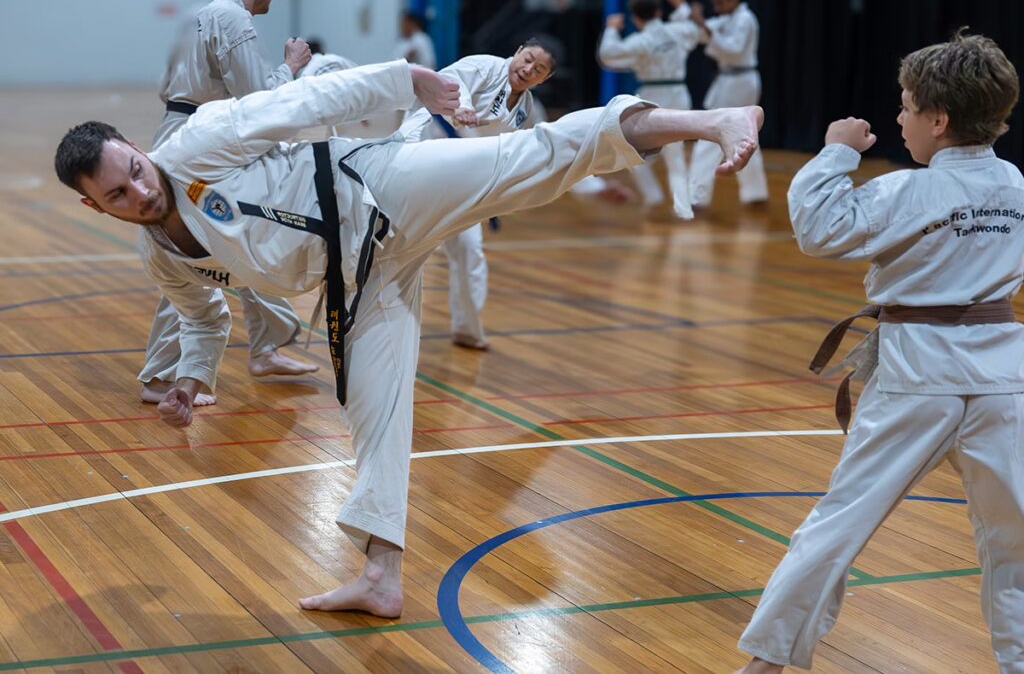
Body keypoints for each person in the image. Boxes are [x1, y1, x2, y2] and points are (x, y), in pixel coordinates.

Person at [54, 60, 762, 618]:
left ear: (142, 152)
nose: (140, 194)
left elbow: (301, 104)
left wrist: (408, 81)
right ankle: (380, 579)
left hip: (379, 188)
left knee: (533, 161)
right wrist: (190, 379)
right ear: (94, 205)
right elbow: (204, 317)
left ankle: (707, 119)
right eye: (117, 196)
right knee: (376, 415)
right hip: (361, 281)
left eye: (137, 172)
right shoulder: (159, 255)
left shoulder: (200, 142)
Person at [734, 32, 1023, 673]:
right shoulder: (1013, 184)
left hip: (919, 373)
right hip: (1004, 374)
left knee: (841, 521)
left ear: (938, 121)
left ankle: (765, 663)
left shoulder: (903, 192)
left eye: (906, 106)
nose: (898, 118)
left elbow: (816, 228)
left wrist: (837, 153)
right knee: (1017, 538)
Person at [142, 0, 316, 406]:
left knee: (246, 234)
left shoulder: (199, 15)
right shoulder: (231, 19)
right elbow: (259, 100)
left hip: (193, 136)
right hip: (200, 146)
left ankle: (266, 346)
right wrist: (290, 66)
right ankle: (162, 375)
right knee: (195, 254)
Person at [398, 39, 556, 350]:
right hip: (422, 160)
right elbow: (454, 81)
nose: (527, 70)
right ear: (518, 50)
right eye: (527, 59)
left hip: (464, 179)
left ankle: (468, 328)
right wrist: (465, 107)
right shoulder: (485, 65)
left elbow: (541, 148)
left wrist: (594, 183)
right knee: (402, 249)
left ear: (544, 79)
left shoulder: (527, 109)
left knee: (470, 250)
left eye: (538, 70)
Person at [599, 0, 699, 219]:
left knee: (631, 150)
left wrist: (612, 28)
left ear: (635, 19)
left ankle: (653, 197)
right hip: (679, 94)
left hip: (652, 98)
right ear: (658, 12)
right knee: (675, 156)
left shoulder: (641, 41)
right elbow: (694, 31)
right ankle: (683, 209)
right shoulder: (677, 31)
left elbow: (607, 55)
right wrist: (681, 6)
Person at [688, 0, 768, 208]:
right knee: (746, 135)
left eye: (721, 2)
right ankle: (755, 193)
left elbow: (734, 49)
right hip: (732, 79)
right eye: (715, 3)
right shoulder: (726, 17)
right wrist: (693, 17)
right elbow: (702, 34)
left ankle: (696, 196)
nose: (717, 7)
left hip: (740, 79)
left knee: (710, 133)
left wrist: (703, 24)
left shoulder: (745, 18)